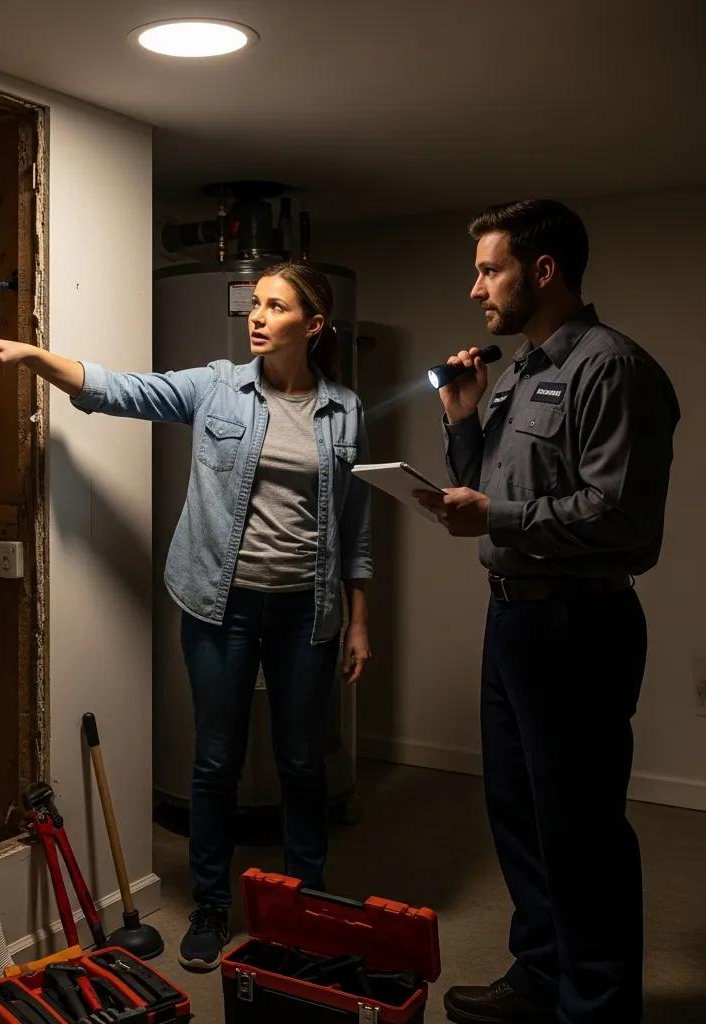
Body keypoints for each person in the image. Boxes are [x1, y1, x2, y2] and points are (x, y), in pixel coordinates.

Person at [0, 261, 373, 972]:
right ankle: (211, 904)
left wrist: (359, 619)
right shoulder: (217, 387)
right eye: (256, 304)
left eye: (276, 306)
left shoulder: (346, 410)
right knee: (215, 761)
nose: (259, 316)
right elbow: (120, 389)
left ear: (315, 323)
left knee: (304, 763)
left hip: (308, 610)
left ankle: (305, 901)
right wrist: (31, 356)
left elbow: (356, 524)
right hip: (220, 607)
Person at [416, 200, 679, 1024]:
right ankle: (539, 978)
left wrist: (492, 516)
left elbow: (623, 522)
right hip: (515, 622)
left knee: (579, 830)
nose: (475, 289)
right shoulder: (520, 374)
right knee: (519, 815)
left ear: (543, 271)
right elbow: (492, 486)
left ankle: (595, 1008)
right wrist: (463, 417)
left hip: (580, 626)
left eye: (489, 269)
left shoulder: (615, 368)